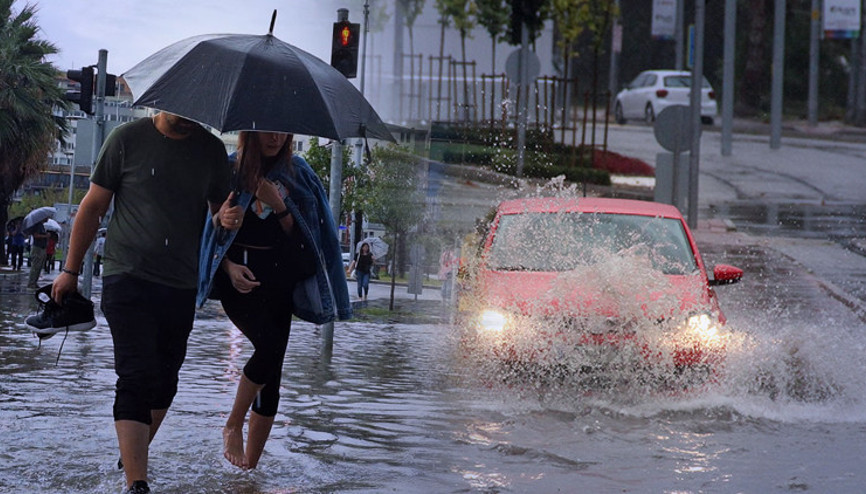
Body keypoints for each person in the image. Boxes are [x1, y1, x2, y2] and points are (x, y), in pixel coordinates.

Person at [51, 111, 244, 494]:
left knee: (165, 382)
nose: (190, 119)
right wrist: (70, 271)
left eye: (196, 114)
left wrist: (225, 219)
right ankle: (137, 483)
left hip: (181, 282)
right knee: (136, 375)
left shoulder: (210, 151)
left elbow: (218, 213)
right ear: (164, 101)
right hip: (127, 276)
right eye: (182, 112)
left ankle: (130, 457)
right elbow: (92, 207)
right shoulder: (126, 139)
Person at [198, 131, 351, 470]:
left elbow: (306, 246)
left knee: (272, 375)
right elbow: (206, 233)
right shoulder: (228, 172)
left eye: (282, 132)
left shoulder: (298, 173)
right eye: (267, 130)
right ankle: (233, 423)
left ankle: (249, 472)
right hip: (239, 283)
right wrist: (226, 259)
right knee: (267, 349)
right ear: (249, 132)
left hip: (281, 285)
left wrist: (280, 206)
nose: (275, 138)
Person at [26, 218, 49, 288]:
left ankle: (34, 282)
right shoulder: (37, 225)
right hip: (37, 248)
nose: (48, 218)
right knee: (35, 266)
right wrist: (45, 236)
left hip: (41, 247)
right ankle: (31, 283)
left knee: (39, 266)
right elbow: (36, 235)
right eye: (47, 217)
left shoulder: (41, 225)